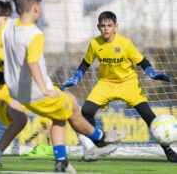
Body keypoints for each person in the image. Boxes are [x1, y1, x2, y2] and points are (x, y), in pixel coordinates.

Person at [2, 0, 128, 173]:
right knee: (71, 105)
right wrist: (45, 89)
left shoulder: (9, 27)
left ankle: (61, 160)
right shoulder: (34, 34)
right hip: (35, 92)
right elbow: (32, 64)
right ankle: (100, 137)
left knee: (60, 114)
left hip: (16, 91)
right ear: (36, 7)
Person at [61, 11, 177, 162]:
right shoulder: (95, 44)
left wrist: (152, 72)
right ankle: (93, 148)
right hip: (106, 83)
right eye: (103, 26)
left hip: (128, 84)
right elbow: (86, 63)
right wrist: (76, 77)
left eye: (109, 25)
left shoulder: (125, 43)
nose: (106, 29)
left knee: (148, 115)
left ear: (116, 26)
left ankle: (168, 150)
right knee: (86, 111)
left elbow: (142, 61)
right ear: (98, 27)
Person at [0, 0, 28, 169]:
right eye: (3, 18)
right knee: (20, 118)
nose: (7, 21)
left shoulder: (12, 37)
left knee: (63, 107)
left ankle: (88, 146)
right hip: (2, 93)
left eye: (9, 17)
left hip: (18, 90)